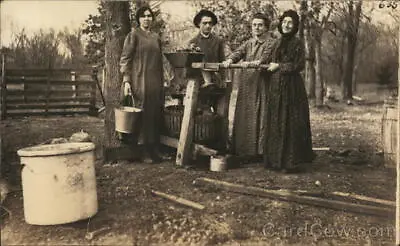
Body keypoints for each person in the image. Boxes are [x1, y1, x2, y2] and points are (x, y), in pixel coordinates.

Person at [263, 10, 315, 173]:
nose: (286, 25)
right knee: (276, 121)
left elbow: (299, 65)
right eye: (284, 22)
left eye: (290, 23)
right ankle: (275, 161)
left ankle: (289, 162)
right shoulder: (276, 42)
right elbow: (269, 60)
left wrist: (279, 66)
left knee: (290, 122)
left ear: (295, 26)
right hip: (276, 87)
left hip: (292, 88)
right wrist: (264, 65)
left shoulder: (297, 43)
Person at [222, 13, 274, 159]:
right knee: (245, 115)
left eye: (260, 25)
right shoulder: (249, 43)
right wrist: (230, 60)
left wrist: (251, 63)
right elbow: (237, 53)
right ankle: (244, 150)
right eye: (254, 25)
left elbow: (264, 59)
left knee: (261, 115)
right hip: (247, 84)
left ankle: (261, 151)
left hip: (262, 83)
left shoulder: (271, 43)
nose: (257, 28)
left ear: (266, 27)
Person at [120, 6, 164, 164]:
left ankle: (153, 148)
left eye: (149, 16)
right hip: (139, 80)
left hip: (155, 81)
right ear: (138, 19)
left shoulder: (155, 37)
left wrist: (164, 81)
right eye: (143, 16)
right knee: (142, 114)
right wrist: (126, 80)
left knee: (154, 114)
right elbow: (125, 59)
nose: (147, 19)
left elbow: (160, 61)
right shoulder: (133, 35)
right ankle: (142, 150)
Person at [188, 9, 226, 88]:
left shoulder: (218, 41)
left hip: (216, 81)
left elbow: (222, 60)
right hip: (199, 82)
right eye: (204, 23)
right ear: (199, 24)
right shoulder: (193, 42)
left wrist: (223, 79)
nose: (208, 26)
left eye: (210, 23)